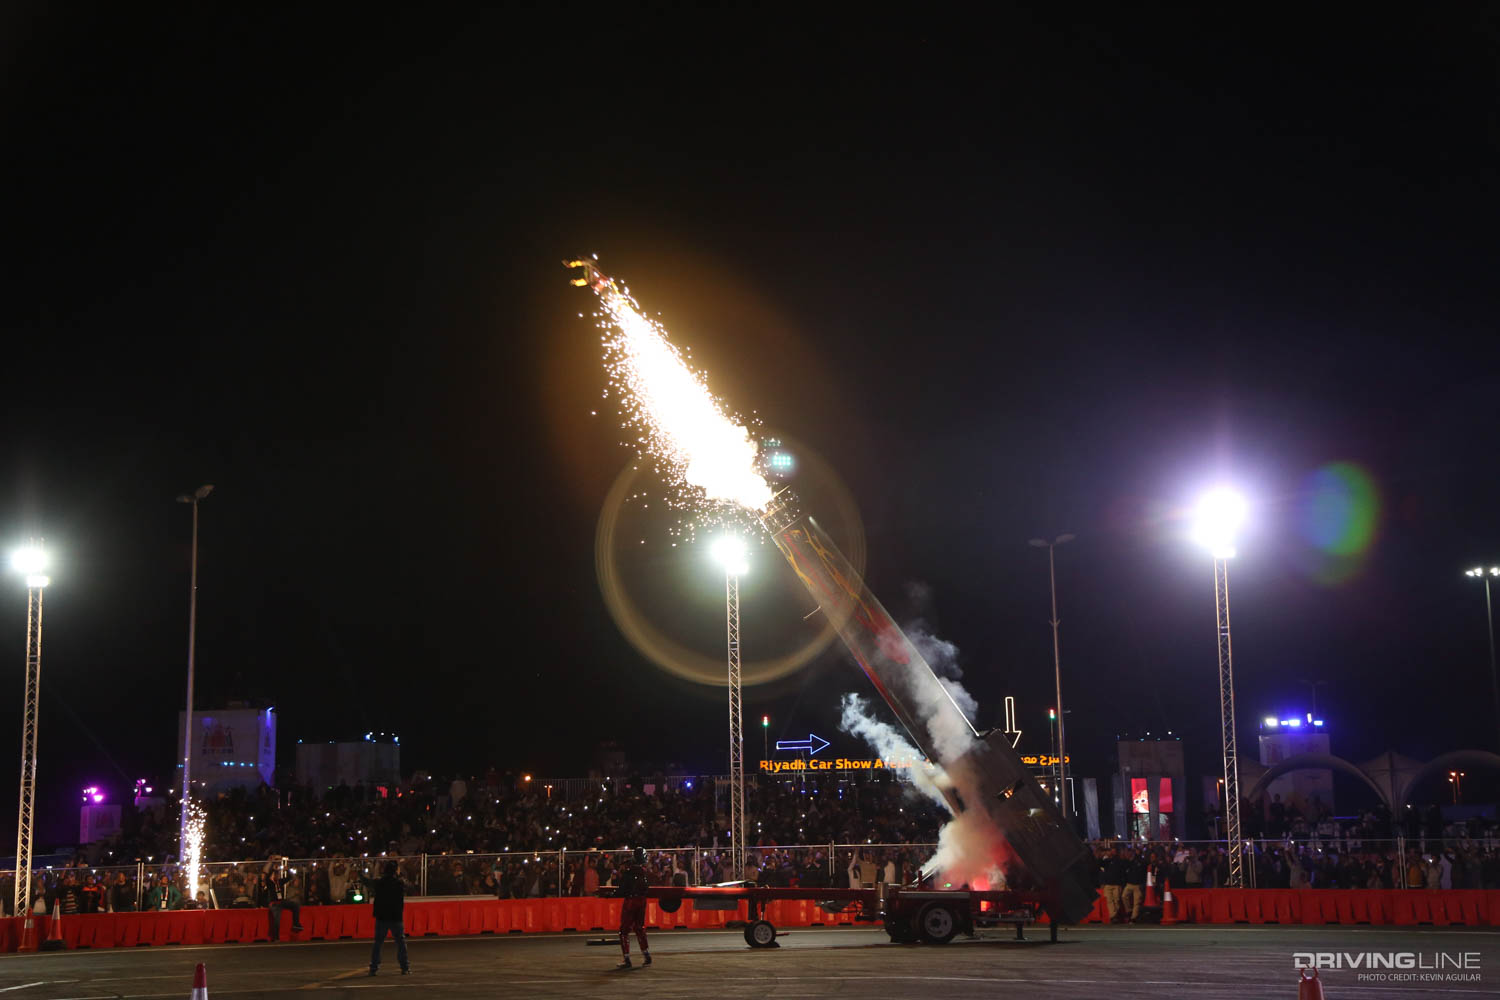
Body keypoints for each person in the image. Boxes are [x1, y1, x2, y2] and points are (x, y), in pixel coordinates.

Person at [366, 861, 409, 976]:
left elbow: (367, 882)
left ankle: (373, 968)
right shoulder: (399, 883)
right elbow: (408, 886)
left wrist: (360, 873)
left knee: (378, 943)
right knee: (400, 942)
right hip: (395, 916)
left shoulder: (379, 882)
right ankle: (404, 967)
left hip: (382, 916)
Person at [615, 847, 651, 969]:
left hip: (630, 901)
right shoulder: (644, 872)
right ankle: (646, 955)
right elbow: (647, 887)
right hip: (642, 901)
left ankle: (626, 959)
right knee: (640, 928)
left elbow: (622, 889)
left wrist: (613, 894)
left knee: (624, 931)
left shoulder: (629, 872)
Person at [262, 858, 303, 942]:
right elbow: (267, 876)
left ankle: (296, 924)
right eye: (275, 874)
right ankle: (276, 937)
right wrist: (273, 867)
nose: (276, 876)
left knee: (295, 905)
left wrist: (287, 870)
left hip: (281, 902)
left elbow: (290, 877)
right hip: (274, 903)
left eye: (277, 874)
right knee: (277, 919)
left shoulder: (279, 882)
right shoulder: (270, 883)